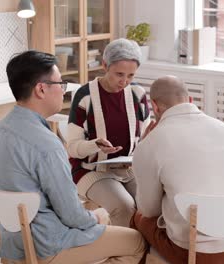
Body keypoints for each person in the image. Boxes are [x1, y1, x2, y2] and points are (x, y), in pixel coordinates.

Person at [0, 50, 145, 263]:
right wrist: (96, 217)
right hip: (48, 244)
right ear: (41, 89)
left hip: (15, 242)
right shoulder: (47, 145)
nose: (63, 91)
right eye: (60, 84)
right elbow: (72, 216)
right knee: (136, 241)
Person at [132, 75, 224, 264]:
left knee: (138, 217)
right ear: (190, 100)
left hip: (195, 253)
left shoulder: (151, 143)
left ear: (154, 106)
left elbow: (149, 210)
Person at [67, 38, 150, 227]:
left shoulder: (138, 93)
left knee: (150, 204)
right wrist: (94, 144)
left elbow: (144, 137)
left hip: (128, 169)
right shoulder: (85, 96)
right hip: (90, 170)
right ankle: (124, 254)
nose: (125, 81)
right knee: (124, 206)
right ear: (105, 65)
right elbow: (72, 149)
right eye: (119, 74)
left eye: (130, 75)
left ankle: (142, 251)